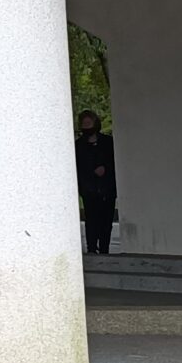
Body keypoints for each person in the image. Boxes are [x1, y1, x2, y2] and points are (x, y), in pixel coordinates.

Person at [75, 109, 117, 257]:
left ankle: (104, 248)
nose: (86, 127)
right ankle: (92, 248)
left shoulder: (108, 142)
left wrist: (105, 168)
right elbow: (79, 167)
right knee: (91, 220)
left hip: (107, 189)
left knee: (106, 221)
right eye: (84, 124)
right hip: (89, 189)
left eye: (89, 123)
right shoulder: (78, 146)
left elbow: (114, 162)